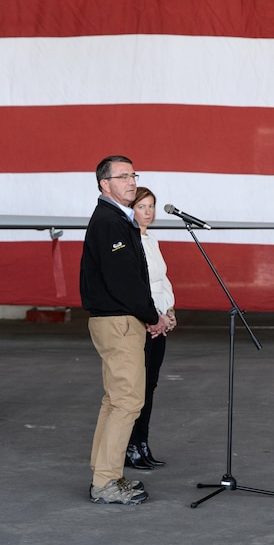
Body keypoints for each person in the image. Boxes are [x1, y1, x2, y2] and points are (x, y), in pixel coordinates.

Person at [80, 156, 172, 505]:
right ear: (105, 184)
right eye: (123, 176)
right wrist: (153, 315)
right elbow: (124, 280)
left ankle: (103, 472)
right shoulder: (110, 221)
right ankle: (106, 482)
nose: (132, 181)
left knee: (114, 400)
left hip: (116, 320)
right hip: (118, 322)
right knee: (129, 400)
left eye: (134, 174)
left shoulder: (117, 218)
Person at [125, 187, 177, 471]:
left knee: (151, 385)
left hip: (160, 322)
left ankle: (143, 443)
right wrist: (154, 316)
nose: (148, 212)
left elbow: (162, 280)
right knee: (137, 387)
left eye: (151, 206)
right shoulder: (131, 241)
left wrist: (169, 311)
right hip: (144, 322)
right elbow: (139, 286)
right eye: (142, 206)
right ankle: (130, 445)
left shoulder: (152, 239)